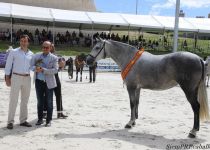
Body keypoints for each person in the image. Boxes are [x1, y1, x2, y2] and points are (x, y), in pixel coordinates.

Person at [5, 35, 33, 129]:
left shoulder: (31, 54)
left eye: (25, 41)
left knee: (25, 100)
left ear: (28, 42)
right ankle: (10, 121)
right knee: (13, 100)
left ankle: (23, 120)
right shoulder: (14, 52)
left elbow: (33, 67)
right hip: (16, 77)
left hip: (27, 78)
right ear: (20, 42)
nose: (23, 43)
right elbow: (8, 65)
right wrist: (7, 78)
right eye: (22, 41)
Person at [31, 41, 58, 127]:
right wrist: (36, 68)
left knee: (49, 102)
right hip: (38, 81)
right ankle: (40, 119)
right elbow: (30, 66)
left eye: (47, 47)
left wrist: (43, 70)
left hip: (49, 83)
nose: (45, 49)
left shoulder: (54, 58)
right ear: (42, 47)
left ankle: (48, 120)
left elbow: (55, 70)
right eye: (44, 47)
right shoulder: (36, 56)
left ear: (50, 48)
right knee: (40, 101)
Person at [43, 44, 68, 119]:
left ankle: (59, 113)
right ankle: (45, 112)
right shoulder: (44, 56)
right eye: (51, 47)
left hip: (56, 76)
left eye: (53, 47)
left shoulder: (57, 56)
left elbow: (60, 67)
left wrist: (62, 65)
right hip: (47, 77)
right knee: (47, 95)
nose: (52, 48)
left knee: (58, 94)